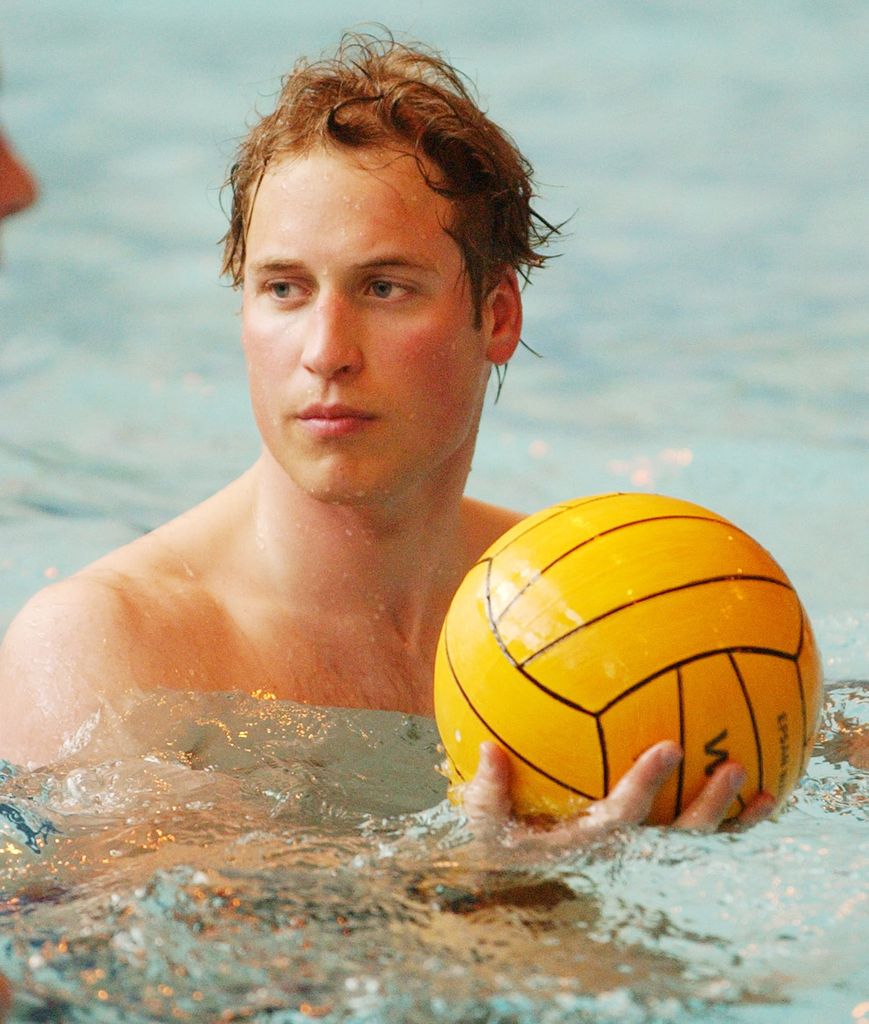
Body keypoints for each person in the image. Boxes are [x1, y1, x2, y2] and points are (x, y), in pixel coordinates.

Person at [0, 33, 772, 837]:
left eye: (383, 287)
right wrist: (482, 889)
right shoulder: (110, 650)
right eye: (284, 289)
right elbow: (122, 944)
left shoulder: (591, 612)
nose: (326, 352)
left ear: (497, 315)